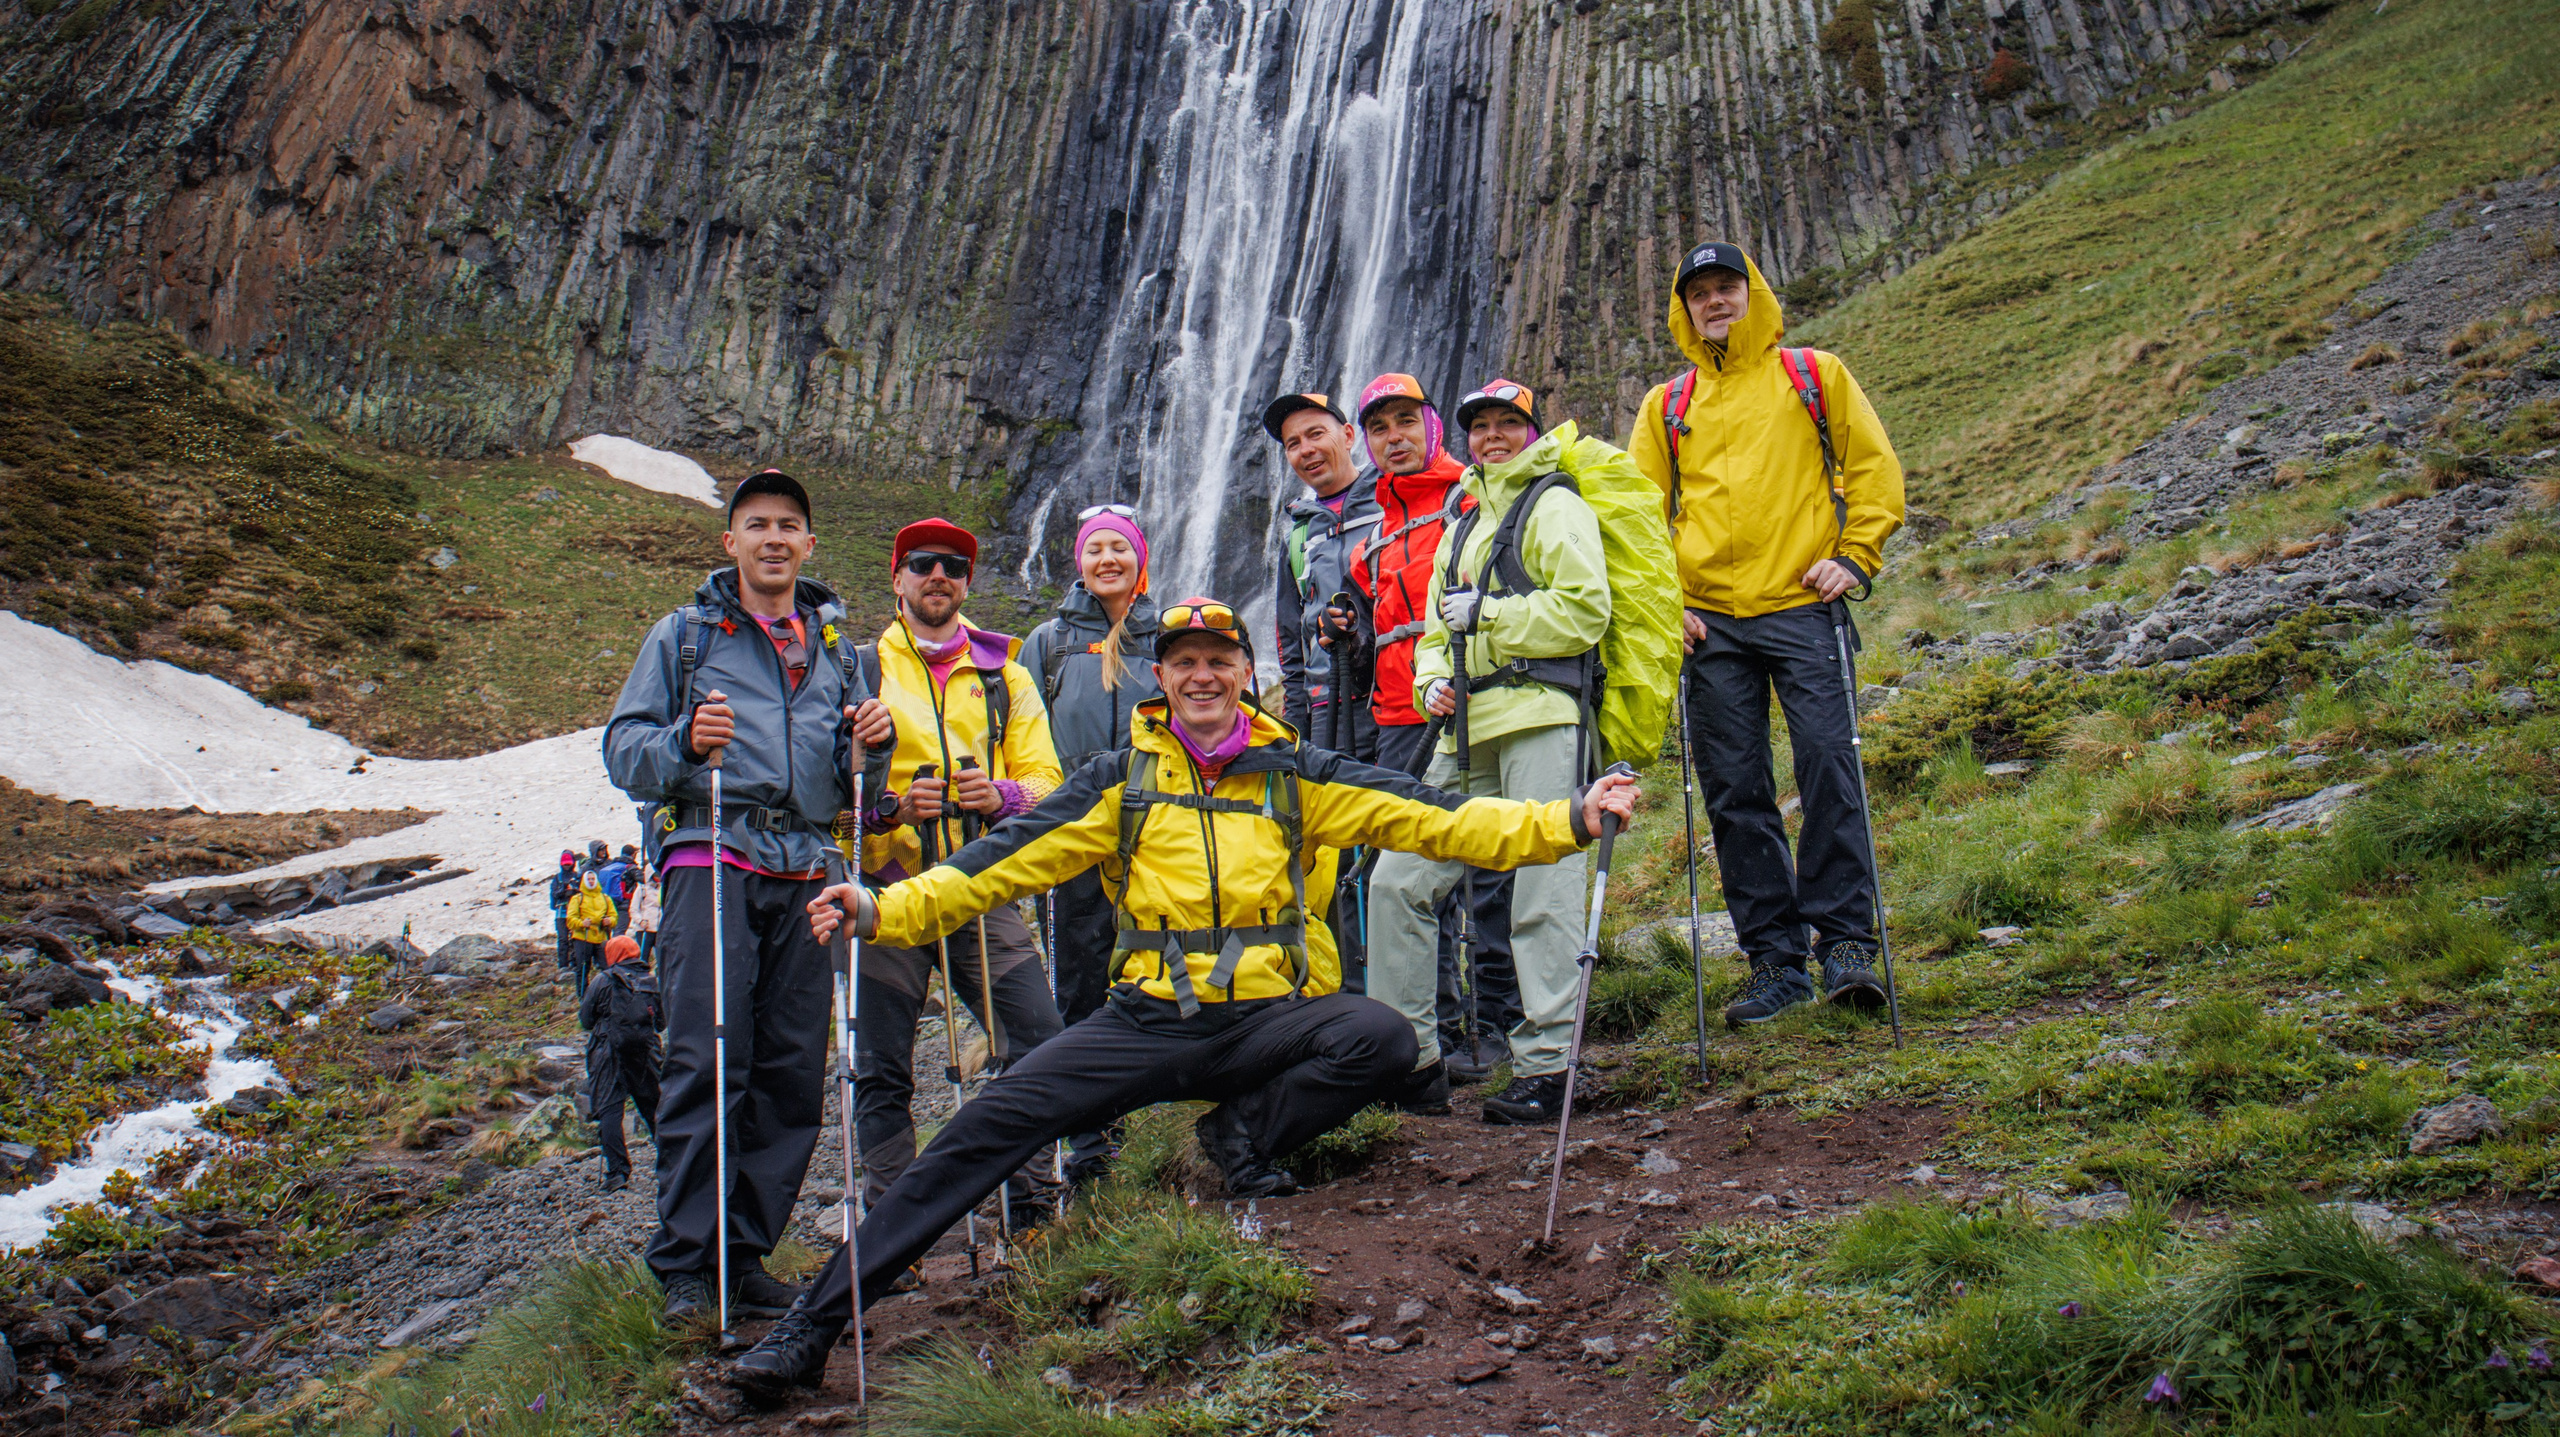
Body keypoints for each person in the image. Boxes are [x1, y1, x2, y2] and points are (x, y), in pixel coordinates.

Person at [724, 596, 1643, 1400]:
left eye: (1220, 661)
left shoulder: (1300, 772)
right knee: (984, 1128)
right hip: (1143, 1023)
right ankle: (811, 1325)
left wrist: (1566, 818)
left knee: (1382, 1035)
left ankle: (1241, 1136)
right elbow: (992, 866)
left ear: (1246, 673)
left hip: (1266, 1021)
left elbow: (1435, 814)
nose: (1203, 676)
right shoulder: (1116, 781)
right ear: (1160, 678)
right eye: (1185, 663)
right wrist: (883, 904)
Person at [602, 467, 896, 1321]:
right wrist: (687, 744)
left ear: (809, 544)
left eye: (789, 524)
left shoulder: (840, 651)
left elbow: (853, 785)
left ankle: (746, 1252)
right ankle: (689, 1263)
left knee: (792, 1068)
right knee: (708, 1053)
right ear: (730, 541)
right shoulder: (684, 636)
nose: (774, 537)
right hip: (711, 853)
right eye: (757, 523)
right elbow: (626, 750)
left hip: (807, 864)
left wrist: (873, 746)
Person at [1626, 241, 1906, 1026]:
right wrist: (1662, 602)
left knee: (1827, 765)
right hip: (1709, 621)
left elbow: (1875, 469)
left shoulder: (1812, 375)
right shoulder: (1666, 405)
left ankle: (1848, 942)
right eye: (1700, 294)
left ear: (1756, 293)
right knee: (1735, 790)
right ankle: (1776, 961)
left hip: (1800, 604)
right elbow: (1638, 518)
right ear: (1683, 311)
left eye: (1728, 287)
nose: (1715, 301)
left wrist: (1855, 556)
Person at [1372, 380, 1644, 1126]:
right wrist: (1431, 680)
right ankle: (1410, 1060)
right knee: (1398, 878)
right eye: (1481, 426)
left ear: (1532, 430)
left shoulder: (1554, 503)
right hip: (1466, 728)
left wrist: (1490, 613)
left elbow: (1586, 609)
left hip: (1539, 716)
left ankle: (1549, 1065)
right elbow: (1434, 633)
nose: (1493, 436)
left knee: (1541, 892)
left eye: (1508, 424)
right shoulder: (1464, 519)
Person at [848, 517, 1065, 1221]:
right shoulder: (857, 668)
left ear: (968, 581)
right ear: (897, 577)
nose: (937, 574)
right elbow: (826, 790)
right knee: (881, 1067)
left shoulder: (1007, 674)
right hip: (887, 893)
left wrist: (999, 795)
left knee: (1036, 1036)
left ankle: (1031, 1201)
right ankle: (894, 1225)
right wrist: (887, 810)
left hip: (980, 887)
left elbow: (1048, 783)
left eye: (953, 565)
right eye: (921, 562)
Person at [1343, 372, 1521, 1090]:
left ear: (1432, 425)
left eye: (1406, 421)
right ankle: (1438, 1029)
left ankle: (1502, 1020)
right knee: (1417, 877)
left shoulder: (1471, 498)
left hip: (1469, 706)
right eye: (1380, 427)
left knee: (1489, 868)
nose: (1395, 438)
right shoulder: (1372, 527)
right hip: (1395, 715)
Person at [1019, 506, 1162, 1188]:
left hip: (1155, 829)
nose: (1108, 558)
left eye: (1120, 547)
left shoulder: (1165, 635)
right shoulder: (1046, 643)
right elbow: (1017, 733)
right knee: (1077, 980)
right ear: (1078, 561)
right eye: (1095, 548)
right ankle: (1090, 1141)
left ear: (1140, 558)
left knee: (1152, 970)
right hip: (1074, 828)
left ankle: (1150, 1115)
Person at [1266, 391, 1380, 761]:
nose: (1306, 450)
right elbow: (1290, 639)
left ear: (1348, 436)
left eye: (1316, 434)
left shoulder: (1394, 502)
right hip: (1324, 708)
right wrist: (1295, 726)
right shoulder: (1298, 535)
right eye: (1293, 443)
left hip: (1395, 697)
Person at [580, 933, 664, 1193]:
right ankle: (674, 1164)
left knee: (609, 1111)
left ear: (612, 954)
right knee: (655, 1109)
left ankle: (618, 1172)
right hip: (645, 1052)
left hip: (608, 1052)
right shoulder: (652, 982)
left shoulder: (603, 980)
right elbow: (661, 1022)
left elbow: (585, 1018)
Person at [565, 870, 618, 997]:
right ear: (584, 881)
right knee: (583, 968)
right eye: (588, 879)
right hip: (583, 937)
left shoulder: (605, 898)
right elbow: (570, 920)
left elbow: (614, 916)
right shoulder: (577, 899)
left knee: (607, 967)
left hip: (600, 938)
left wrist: (609, 921)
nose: (591, 881)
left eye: (593, 879)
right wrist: (581, 924)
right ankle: (583, 996)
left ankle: (608, 994)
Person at [549, 850, 579, 970]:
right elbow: (554, 894)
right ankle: (563, 965)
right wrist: (564, 890)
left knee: (575, 939)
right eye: (565, 864)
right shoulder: (557, 878)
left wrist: (574, 890)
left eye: (569, 863)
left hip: (575, 913)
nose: (567, 866)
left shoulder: (577, 876)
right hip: (561, 914)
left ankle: (575, 963)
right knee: (562, 940)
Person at [598, 846, 634, 935]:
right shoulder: (629, 867)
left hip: (608, 902)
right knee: (619, 932)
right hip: (623, 903)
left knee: (608, 932)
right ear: (633, 854)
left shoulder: (612, 865)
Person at [630, 862, 662, 965]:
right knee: (643, 958)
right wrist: (640, 921)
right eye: (655, 874)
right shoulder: (641, 889)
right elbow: (633, 909)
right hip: (645, 929)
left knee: (661, 958)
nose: (658, 877)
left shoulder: (661, 889)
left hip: (659, 929)